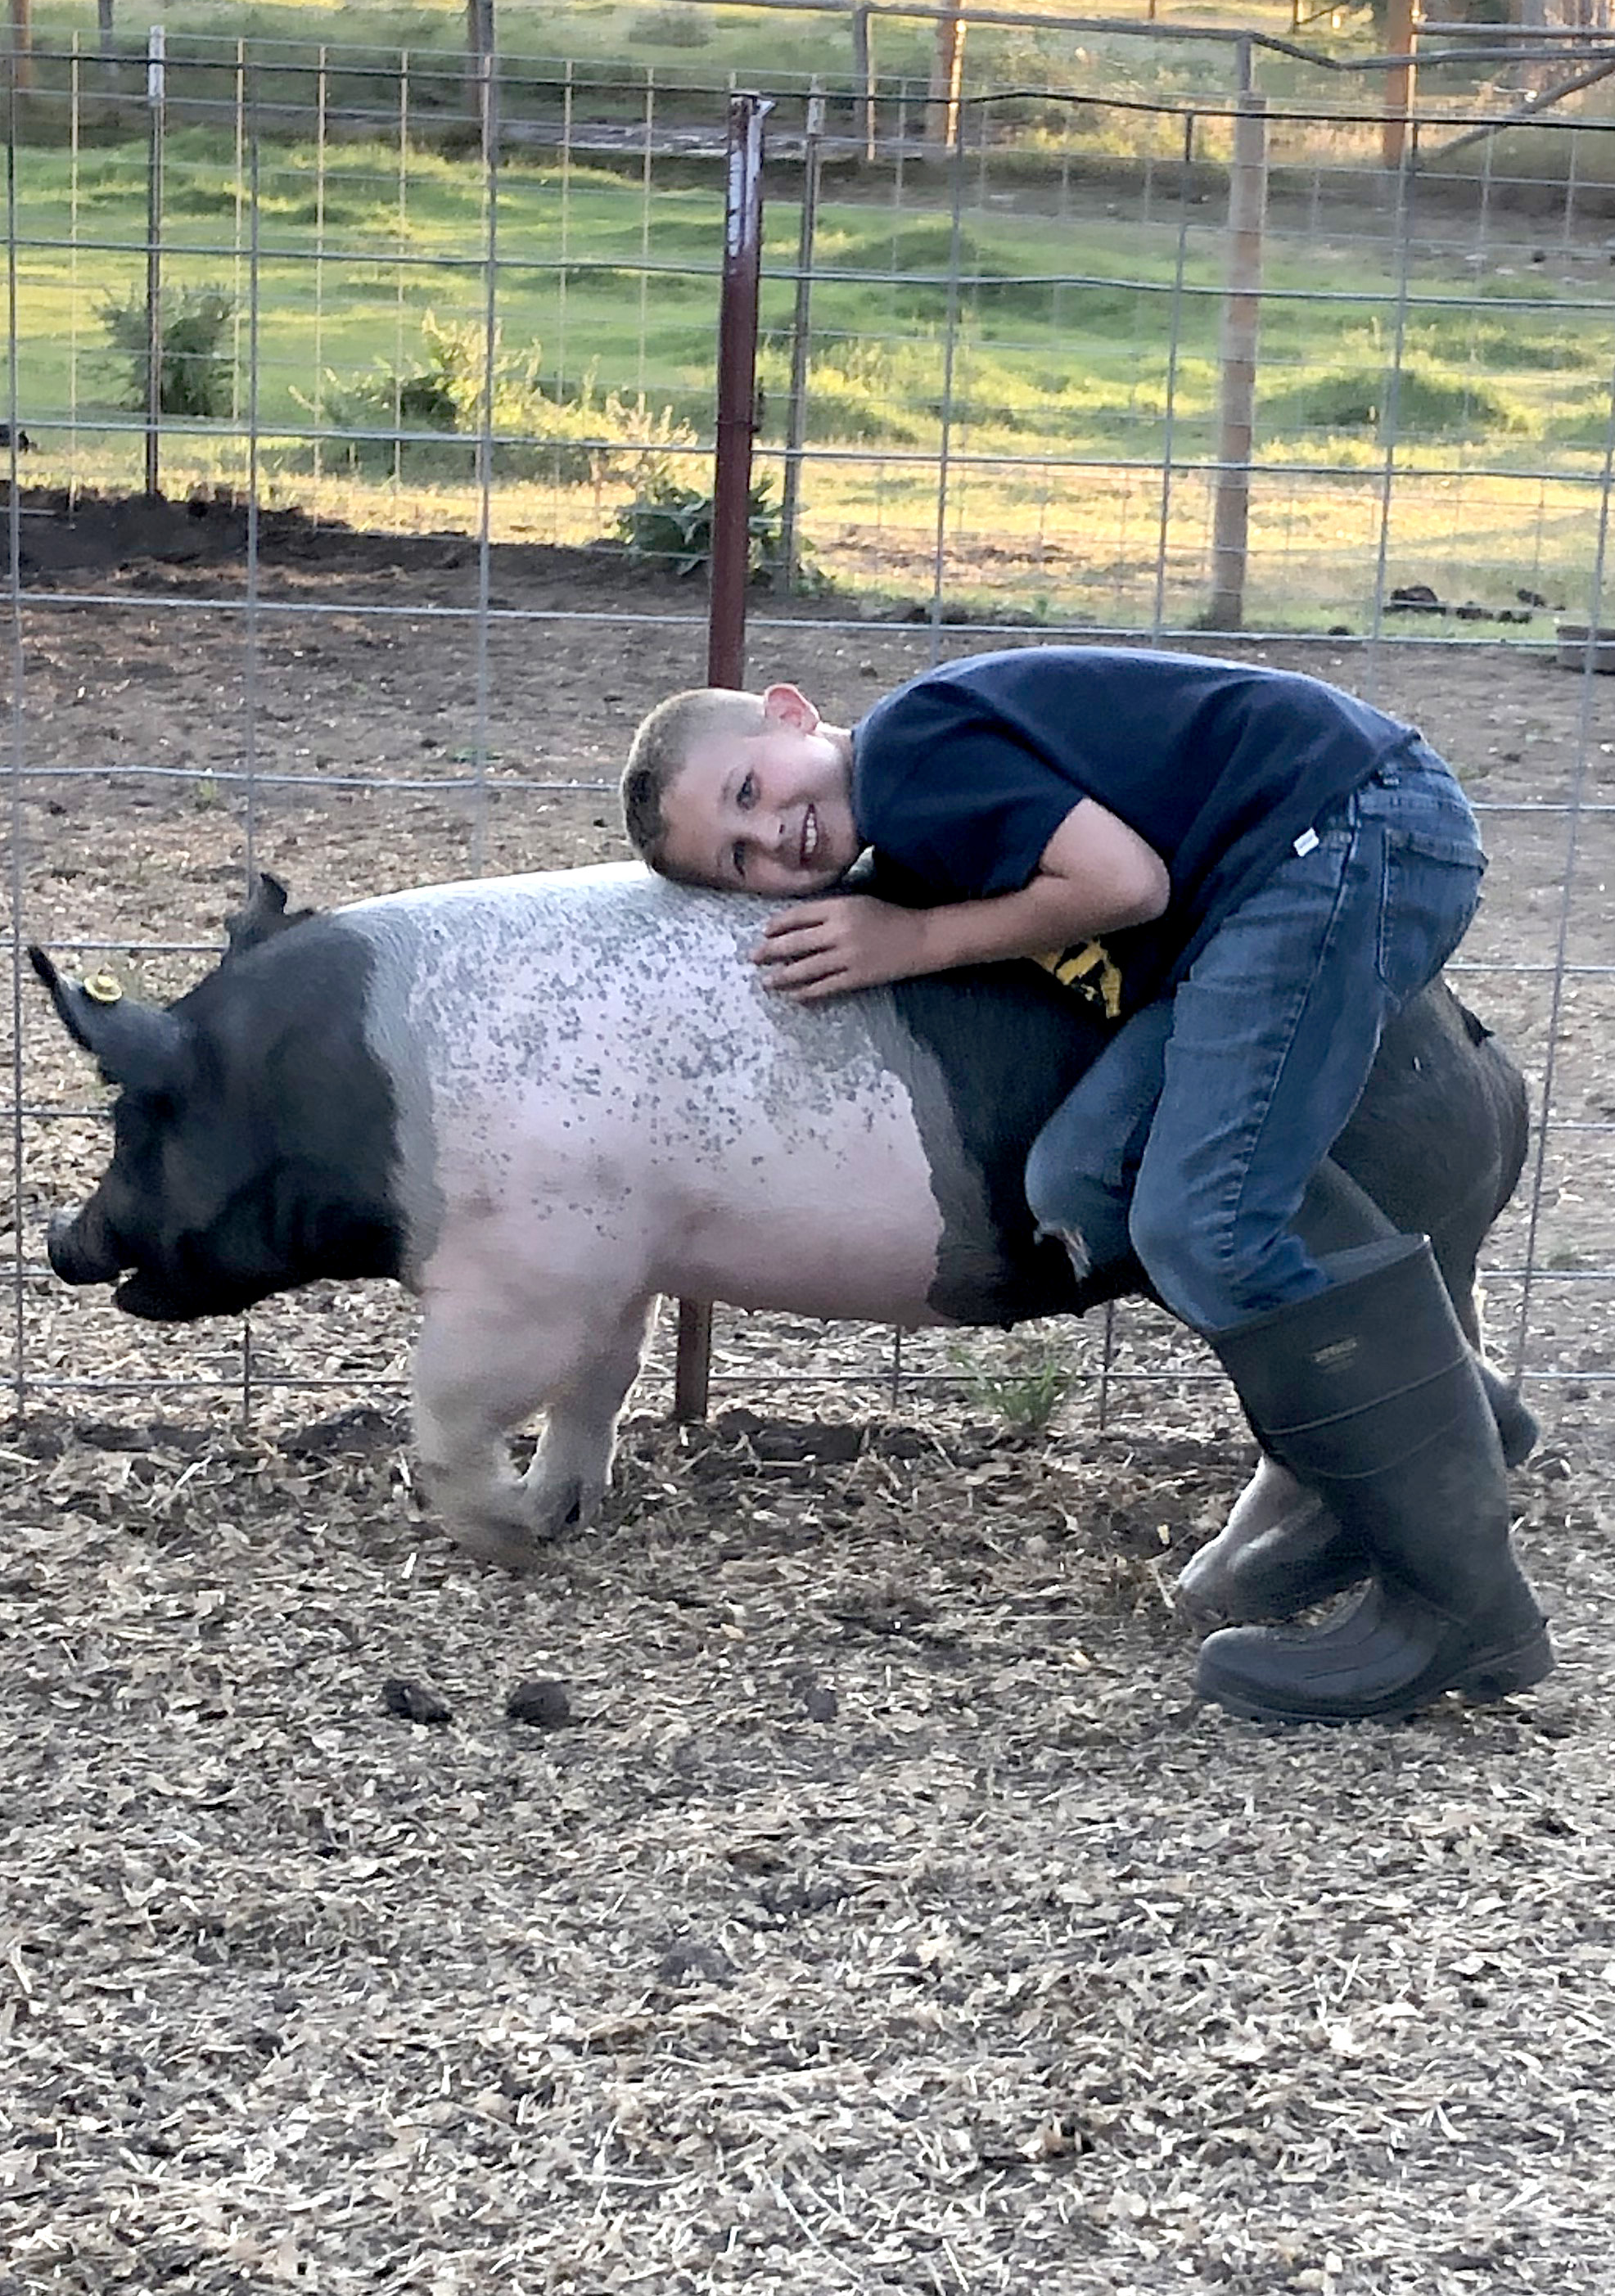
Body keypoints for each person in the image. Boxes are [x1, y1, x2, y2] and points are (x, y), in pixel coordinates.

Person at [618, 647, 1549, 1724]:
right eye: (739, 860)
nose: (773, 835)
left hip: (1346, 833)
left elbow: (1123, 885)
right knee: (1085, 1176)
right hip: (1264, 893)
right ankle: (1448, 1429)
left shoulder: (912, 755)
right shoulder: (912, 821)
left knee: (1204, 1224)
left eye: (750, 791)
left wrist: (913, 938)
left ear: (791, 713)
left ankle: (1461, 1604)